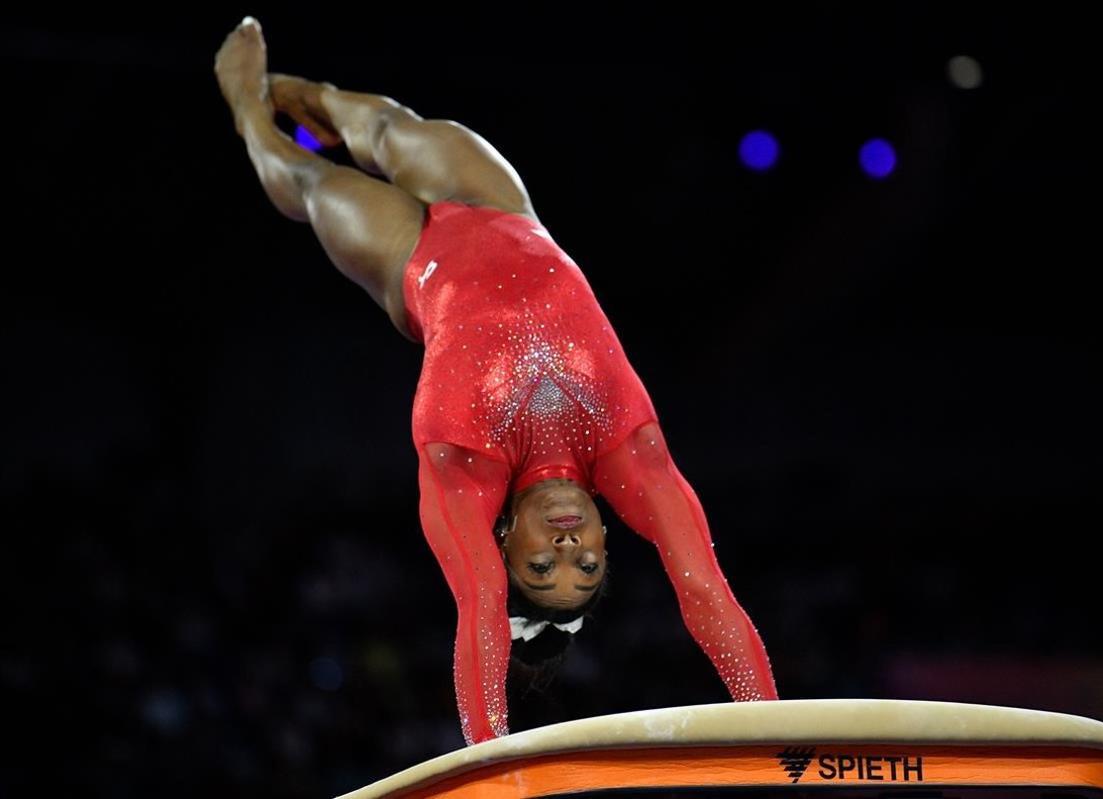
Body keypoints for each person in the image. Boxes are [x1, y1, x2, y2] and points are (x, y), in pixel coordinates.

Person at [214, 16, 779, 745]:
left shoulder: (465, 464)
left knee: (307, 177)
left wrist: (489, 758)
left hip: (411, 259)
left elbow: (481, 608)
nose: (570, 546)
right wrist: (773, 733)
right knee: (389, 127)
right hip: (504, 209)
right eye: (588, 561)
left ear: (509, 541)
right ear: (611, 529)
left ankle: (246, 108)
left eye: (544, 565)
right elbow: (705, 591)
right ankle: (310, 94)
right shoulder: (630, 448)